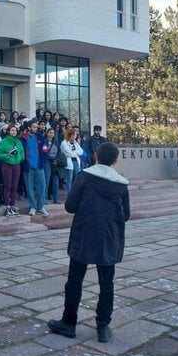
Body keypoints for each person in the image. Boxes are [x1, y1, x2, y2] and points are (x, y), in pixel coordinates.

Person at [47, 142, 129, 344]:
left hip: (85, 233)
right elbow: (125, 215)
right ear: (115, 161)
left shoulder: (85, 176)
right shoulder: (121, 184)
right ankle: (103, 326)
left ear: (95, 156)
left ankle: (69, 323)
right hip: (109, 236)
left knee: (74, 280)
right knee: (106, 282)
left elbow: (70, 205)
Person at [0, 123, 24, 217]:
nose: (14, 132)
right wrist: (7, 156)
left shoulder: (18, 142)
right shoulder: (4, 142)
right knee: (8, 186)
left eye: (15, 130)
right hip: (7, 165)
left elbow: (22, 153)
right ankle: (7, 206)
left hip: (17, 165)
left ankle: (13, 206)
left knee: (15, 186)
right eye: (12, 130)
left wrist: (20, 158)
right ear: (8, 131)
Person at [20, 120, 49, 217]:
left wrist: (42, 161)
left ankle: (40, 207)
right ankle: (32, 207)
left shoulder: (40, 137)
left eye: (37, 127)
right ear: (29, 128)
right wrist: (24, 163)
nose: (36, 129)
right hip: (28, 167)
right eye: (34, 127)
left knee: (42, 186)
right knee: (29, 188)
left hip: (39, 166)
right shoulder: (23, 139)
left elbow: (45, 150)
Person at [60, 129, 83, 193]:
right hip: (68, 162)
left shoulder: (75, 143)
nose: (76, 136)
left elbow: (81, 152)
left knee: (78, 178)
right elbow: (68, 153)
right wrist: (76, 153)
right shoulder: (64, 143)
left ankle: (77, 192)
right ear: (71, 135)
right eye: (75, 134)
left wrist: (74, 153)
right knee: (69, 179)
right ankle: (69, 194)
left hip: (76, 162)